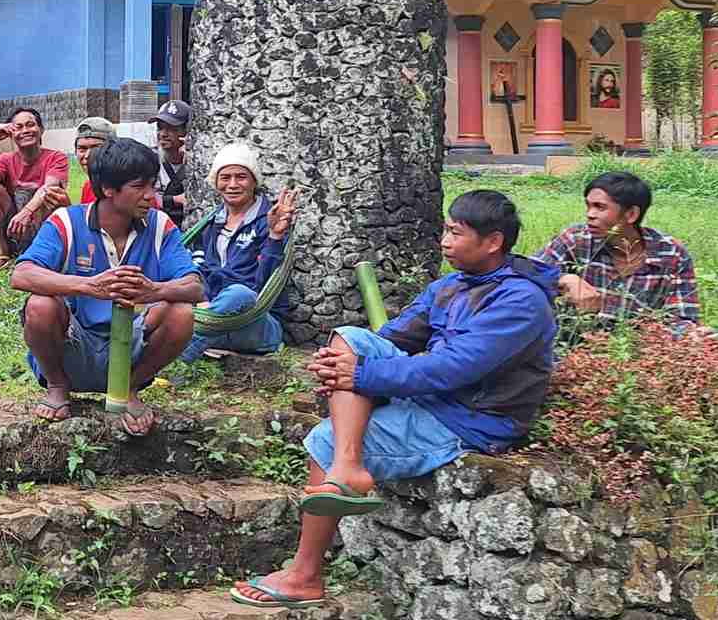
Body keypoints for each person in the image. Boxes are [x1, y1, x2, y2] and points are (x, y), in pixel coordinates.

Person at [232, 190, 558, 610]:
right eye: (445, 230)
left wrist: (361, 375)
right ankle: (348, 469)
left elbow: (454, 368)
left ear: (493, 242)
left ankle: (305, 575)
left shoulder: (521, 302)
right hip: (434, 399)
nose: (444, 242)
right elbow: (391, 339)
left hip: (470, 419)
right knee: (349, 339)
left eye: (455, 233)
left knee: (324, 439)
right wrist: (341, 369)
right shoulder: (450, 287)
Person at [11, 139, 201, 437]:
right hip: (75, 345)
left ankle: (129, 388)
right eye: (140, 187)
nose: (151, 196)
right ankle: (58, 385)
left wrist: (154, 291)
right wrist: (90, 286)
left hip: (133, 347)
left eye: (153, 185)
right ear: (109, 189)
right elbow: (21, 275)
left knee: (181, 313)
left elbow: (194, 286)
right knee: (40, 305)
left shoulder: (160, 226)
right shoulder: (68, 222)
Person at [177, 142, 299, 364]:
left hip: (255, 323)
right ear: (216, 183)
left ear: (254, 181)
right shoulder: (210, 223)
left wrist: (274, 236)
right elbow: (197, 269)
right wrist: (202, 298)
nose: (232, 184)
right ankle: (204, 332)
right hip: (214, 320)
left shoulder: (269, 221)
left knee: (239, 294)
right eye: (225, 178)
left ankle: (178, 361)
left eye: (241, 177)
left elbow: (264, 286)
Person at [535, 171, 701, 331]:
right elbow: (523, 270)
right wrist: (564, 278)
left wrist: (689, 335)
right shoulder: (576, 239)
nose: (590, 215)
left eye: (600, 207)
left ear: (631, 214)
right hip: (569, 341)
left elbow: (683, 318)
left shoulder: (671, 254)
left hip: (637, 349)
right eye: (588, 206)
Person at [0, 107, 70, 268]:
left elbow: (48, 188)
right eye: (19, 127)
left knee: (53, 196)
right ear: (10, 133)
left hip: (42, 222)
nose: (25, 131)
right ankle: (5, 251)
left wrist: (26, 212)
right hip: (15, 225)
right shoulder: (6, 160)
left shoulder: (56, 157)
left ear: (41, 130)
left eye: (30, 125)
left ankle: (44, 251)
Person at [151, 100, 195, 223]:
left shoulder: (199, 161)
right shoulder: (149, 158)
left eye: (172, 128)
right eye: (160, 127)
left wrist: (192, 158)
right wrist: (175, 199)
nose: (163, 134)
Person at [74, 117, 117, 203]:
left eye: (96, 148)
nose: (87, 156)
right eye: (82, 149)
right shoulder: (89, 185)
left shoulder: (124, 186)